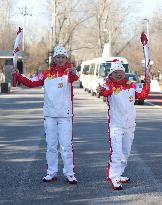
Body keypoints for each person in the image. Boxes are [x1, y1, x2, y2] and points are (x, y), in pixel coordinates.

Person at [14, 45, 79, 184]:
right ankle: (51, 172)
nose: (60, 59)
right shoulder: (46, 74)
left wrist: (73, 72)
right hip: (50, 114)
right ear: (54, 59)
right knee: (51, 145)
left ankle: (70, 173)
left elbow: (75, 77)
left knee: (66, 146)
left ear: (66, 58)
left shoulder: (69, 73)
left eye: (63, 57)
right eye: (58, 57)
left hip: (65, 115)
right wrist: (18, 75)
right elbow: (32, 83)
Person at [96, 59, 150, 190]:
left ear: (124, 72)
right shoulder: (109, 86)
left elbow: (142, 95)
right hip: (116, 125)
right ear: (111, 74)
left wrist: (147, 83)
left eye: (120, 71)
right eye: (115, 72)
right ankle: (114, 177)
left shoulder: (131, 85)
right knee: (116, 152)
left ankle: (119, 174)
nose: (118, 74)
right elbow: (104, 91)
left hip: (130, 125)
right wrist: (100, 89)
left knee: (126, 153)